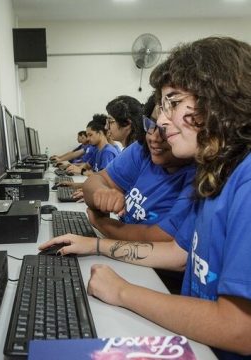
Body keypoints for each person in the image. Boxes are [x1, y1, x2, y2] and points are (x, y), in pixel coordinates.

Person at [40, 37, 251, 359]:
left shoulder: (246, 180)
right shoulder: (218, 172)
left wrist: (123, 291)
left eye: (174, 103)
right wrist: (95, 245)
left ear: (221, 99)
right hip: (198, 343)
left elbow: (241, 329)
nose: (162, 122)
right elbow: (181, 254)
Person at [82, 93, 194, 243]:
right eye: (151, 124)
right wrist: (101, 193)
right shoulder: (142, 150)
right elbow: (96, 180)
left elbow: (161, 238)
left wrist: (102, 223)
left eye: (166, 129)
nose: (154, 137)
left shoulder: (196, 178)